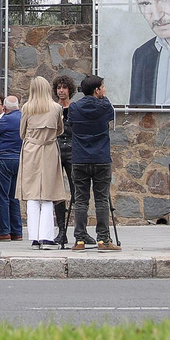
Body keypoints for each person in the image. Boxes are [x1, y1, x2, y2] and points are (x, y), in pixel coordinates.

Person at [67, 75, 119, 250]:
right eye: (102, 87)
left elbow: (71, 125)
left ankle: (80, 239)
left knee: (81, 200)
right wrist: (104, 99)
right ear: (97, 90)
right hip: (101, 158)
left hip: (80, 158)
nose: (105, 90)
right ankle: (103, 240)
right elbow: (110, 113)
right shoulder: (105, 107)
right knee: (102, 200)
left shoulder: (74, 107)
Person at [16, 77, 69, 249]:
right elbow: (60, 129)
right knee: (48, 192)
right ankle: (47, 236)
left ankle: (34, 237)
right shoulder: (56, 108)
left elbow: (22, 132)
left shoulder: (27, 108)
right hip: (49, 150)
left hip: (31, 150)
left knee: (32, 193)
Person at [0, 95, 24, 241]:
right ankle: (16, 231)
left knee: (0, 196)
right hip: (18, 160)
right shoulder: (23, 117)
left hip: (2, 160)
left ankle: (3, 231)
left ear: (5, 108)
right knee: (13, 197)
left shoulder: (7, 119)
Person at [51, 75, 77, 247]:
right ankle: (61, 230)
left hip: (73, 151)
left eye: (64, 88)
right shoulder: (53, 109)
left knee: (78, 190)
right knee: (58, 192)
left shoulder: (75, 109)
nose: (61, 91)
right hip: (57, 150)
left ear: (69, 90)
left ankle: (79, 230)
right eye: (59, 88)